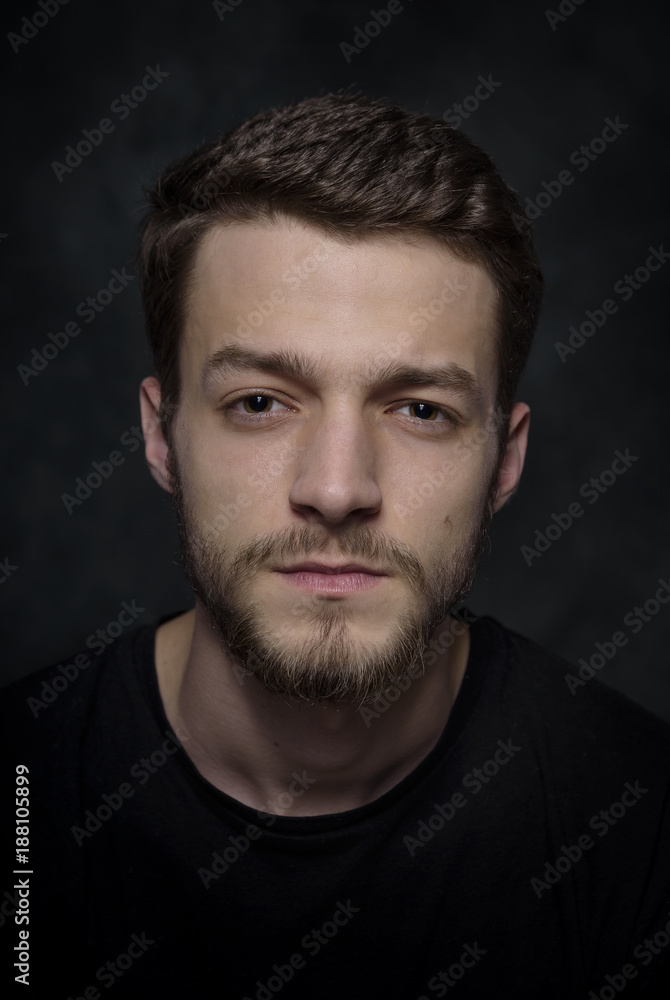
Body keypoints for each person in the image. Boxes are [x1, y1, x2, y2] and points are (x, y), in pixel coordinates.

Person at [2, 91, 669, 1000]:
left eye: (421, 411)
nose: (337, 488)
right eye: (262, 402)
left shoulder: (639, 825)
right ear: (161, 436)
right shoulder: (20, 792)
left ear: (504, 460)